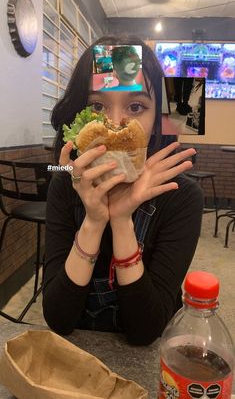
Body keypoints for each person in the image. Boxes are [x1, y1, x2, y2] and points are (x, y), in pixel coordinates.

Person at [43, 35, 203, 346]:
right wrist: (93, 221)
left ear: (158, 118)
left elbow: (146, 331)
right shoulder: (65, 182)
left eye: (136, 106)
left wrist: (121, 220)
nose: (115, 123)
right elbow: (59, 320)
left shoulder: (182, 196)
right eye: (97, 105)